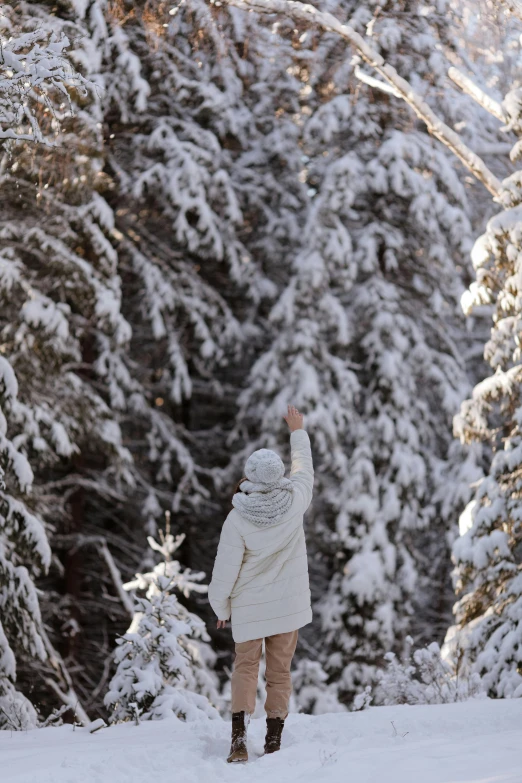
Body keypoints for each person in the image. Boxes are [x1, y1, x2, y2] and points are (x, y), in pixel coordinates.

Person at [208, 405, 314, 763]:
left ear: (250, 476)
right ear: (278, 474)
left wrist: (221, 607)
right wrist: (297, 430)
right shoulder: (295, 502)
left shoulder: (237, 518)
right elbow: (305, 472)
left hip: (249, 609)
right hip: (287, 608)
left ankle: (238, 741)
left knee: (245, 669)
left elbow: (225, 570)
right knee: (279, 673)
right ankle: (273, 741)